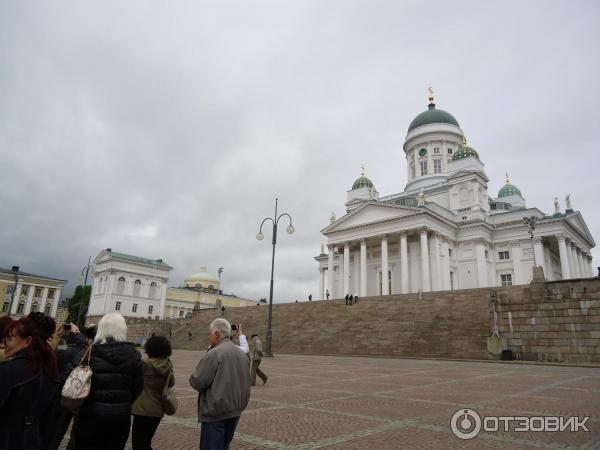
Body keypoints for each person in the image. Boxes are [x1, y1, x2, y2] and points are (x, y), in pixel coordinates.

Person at [64, 313, 143, 450]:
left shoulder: (90, 351)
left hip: (91, 413)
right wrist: (124, 401)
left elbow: (69, 374)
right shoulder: (134, 354)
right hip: (120, 416)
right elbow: (138, 386)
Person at [189, 318, 251, 450]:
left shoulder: (215, 353)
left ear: (216, 334)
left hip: (216, 412)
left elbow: (197, 381)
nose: (208, 336)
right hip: (235, 410)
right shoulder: (243, 354)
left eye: (210, 333)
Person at [0, 312, 58, 449]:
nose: (5, 343)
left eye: (10, 338)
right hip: (32, 441)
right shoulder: (50, 372)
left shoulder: (7, 371)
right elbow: (49, 424)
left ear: (27, 341)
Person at [131, 336, 175, 450]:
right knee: (146, 441)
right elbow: (171, 384)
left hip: (142, 408)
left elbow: (134, 381)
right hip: (157, 408)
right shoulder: (168, 365)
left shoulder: (145, 363)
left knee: (138, 442)